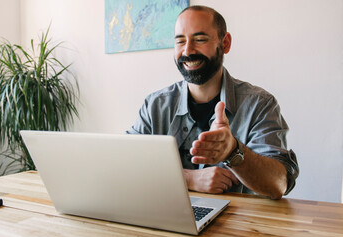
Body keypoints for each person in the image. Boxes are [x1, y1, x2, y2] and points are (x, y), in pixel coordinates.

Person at [127, 5, 299, 199]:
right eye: (180, 41)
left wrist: (233, 151)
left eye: (200, 39)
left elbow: (278, 184)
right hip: (167, 219)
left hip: (241, 226)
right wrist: (189, 179)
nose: (187, 50)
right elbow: (125, 164)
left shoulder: (260, 104)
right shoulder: (155, 105)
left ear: (225, 43)